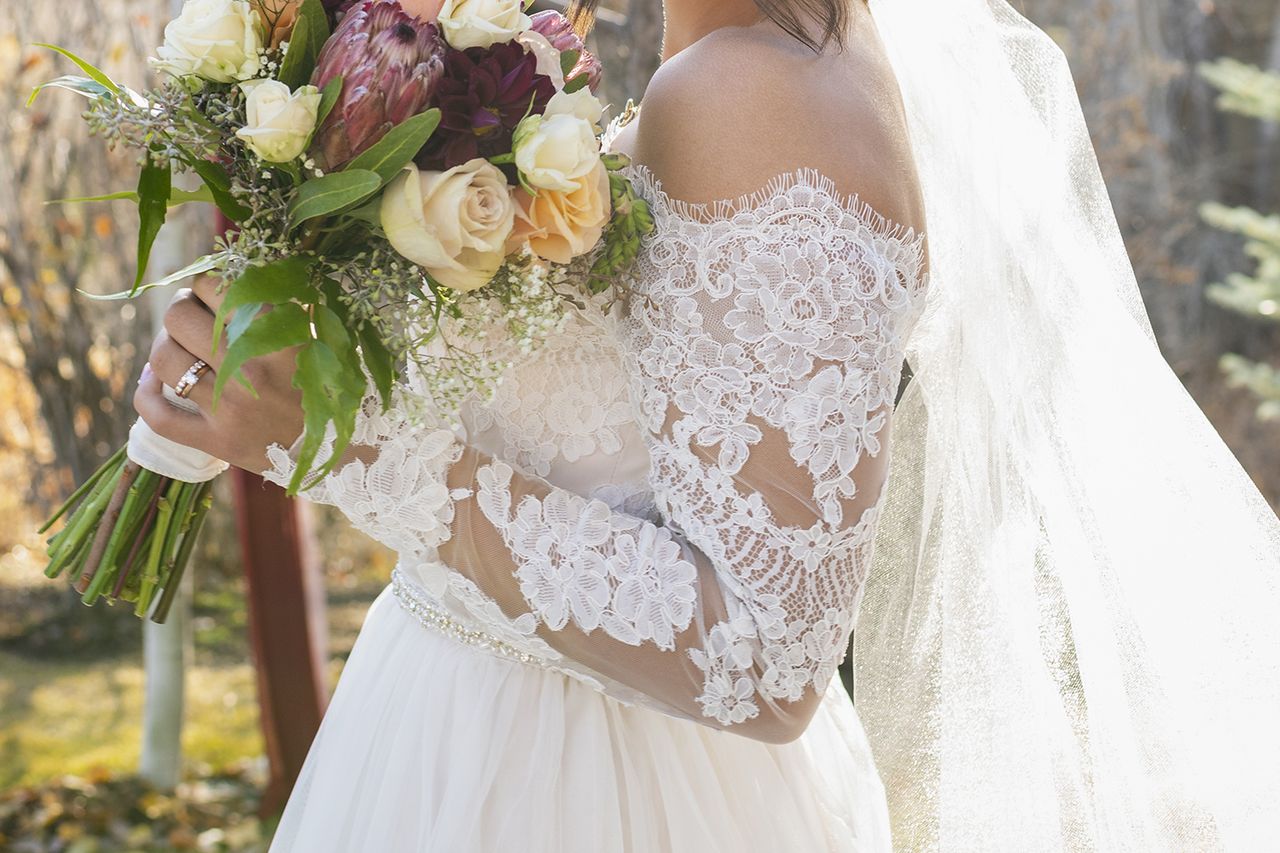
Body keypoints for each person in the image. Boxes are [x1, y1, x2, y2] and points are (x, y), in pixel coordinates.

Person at [135, 0, 1280, 849]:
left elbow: (765, 654)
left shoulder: (752, 92)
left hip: (599, 792)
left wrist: (344, 446)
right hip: (458, 735)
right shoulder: (722, 60)